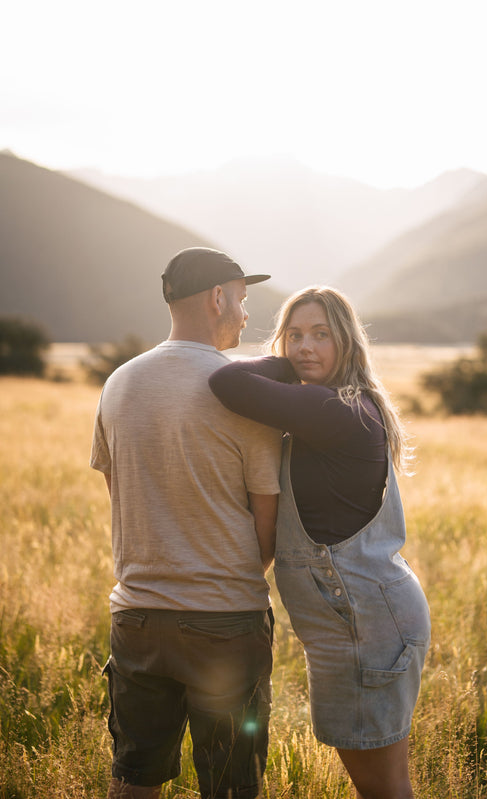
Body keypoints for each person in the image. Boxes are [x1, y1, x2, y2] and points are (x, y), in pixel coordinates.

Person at [208, 286, 431, 799]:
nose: (305, 347)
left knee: (383, 789)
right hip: (362, 621)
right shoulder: (346, 404)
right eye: (294, 335)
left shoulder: (331, 409)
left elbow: (227, 381)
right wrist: (291, 364)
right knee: (384, 786)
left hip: (364, 627)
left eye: (321, 335)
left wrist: (282, 365)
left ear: (348, 343)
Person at [90, 247, 283, 799]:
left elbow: (119, 494)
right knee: (231, 786)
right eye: (243, 300)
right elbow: (264, 523)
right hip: (224, 620)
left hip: (137, 619)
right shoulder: (245, 392)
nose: (246, 315)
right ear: (218, 298)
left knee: (133, 779)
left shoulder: (118, 383)